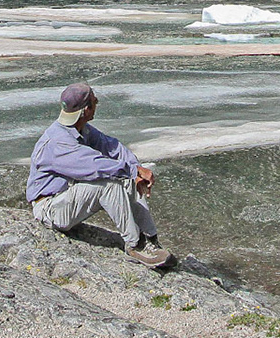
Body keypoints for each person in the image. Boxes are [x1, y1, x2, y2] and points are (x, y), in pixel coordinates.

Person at [26, 82, 171, 267]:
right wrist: (132, 170)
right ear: (86, 110)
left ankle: (151, 239)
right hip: (50, 208)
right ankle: (135, 246)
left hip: (66, 198)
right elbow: (94, 165)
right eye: (95, 101)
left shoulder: (81, 129)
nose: (97, 103)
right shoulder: (57, 142)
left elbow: (112, 147)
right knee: (108, 185)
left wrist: (136, 170)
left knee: (128, 181)